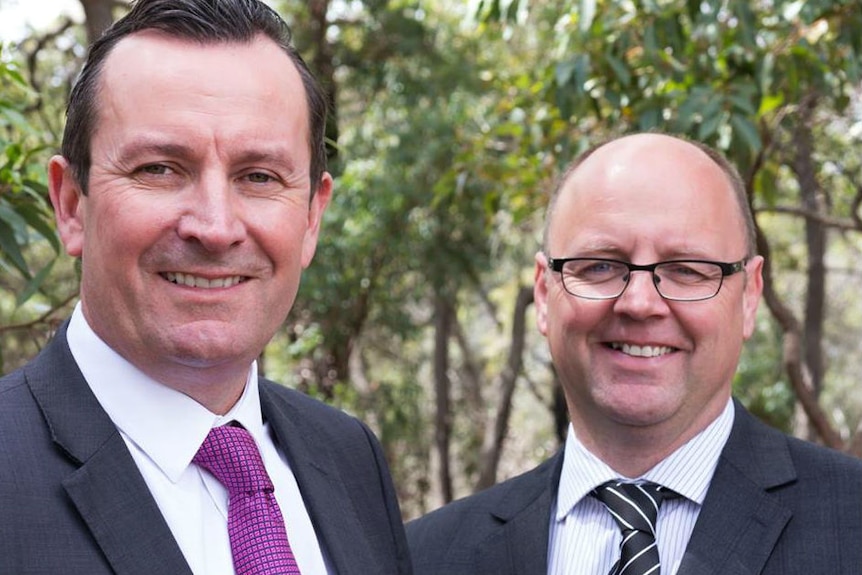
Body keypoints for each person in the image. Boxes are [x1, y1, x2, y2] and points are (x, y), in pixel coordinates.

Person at [0, 0, 411, 573]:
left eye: (259, 176)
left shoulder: (348, 459)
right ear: (71, 204)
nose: (215, 228)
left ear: (312, 218)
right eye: (159, 169)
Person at [406, 133, 862, 574]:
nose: (640, 303)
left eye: (687, 269)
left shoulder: (850, 525)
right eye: (601, 265)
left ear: (749, 297)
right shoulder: (421, 557)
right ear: (544, 293)